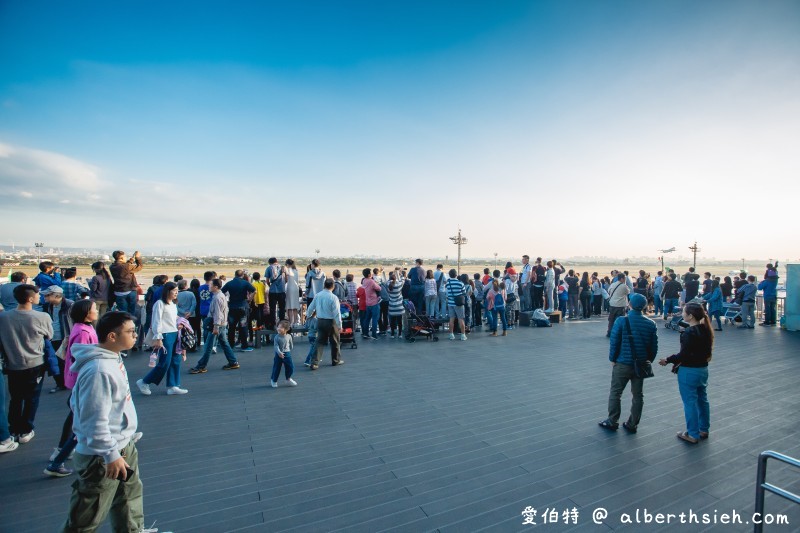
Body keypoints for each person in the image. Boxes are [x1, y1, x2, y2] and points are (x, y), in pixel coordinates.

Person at [61, 311, 146, 532]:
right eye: (130, 331)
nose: (135, 335)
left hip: (122, 445)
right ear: (111, 336)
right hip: (101, 456)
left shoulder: (112, 357)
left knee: (128, 500)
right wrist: (110, 453)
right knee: (87, 515)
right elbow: (93, 418)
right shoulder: (98, 370)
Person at [45, 299, 98, 477]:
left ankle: (60, 452)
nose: (97, 311)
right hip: (84, 379)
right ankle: (59, 456)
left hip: (82, 379)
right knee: (79, 418)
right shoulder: (83, 331)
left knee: (76, 414)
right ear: (86, 314)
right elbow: (82, 357)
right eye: (94, 309)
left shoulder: (81, 328)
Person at [0, 284, 55, 445]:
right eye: (37, 295)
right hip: (35, 363)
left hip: (12, 363)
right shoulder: (42, 317)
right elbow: (49, 335)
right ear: (31, 299)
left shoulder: (4, 317)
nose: (39, 297)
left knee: (15, 398)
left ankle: (14, 428)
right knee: (31, 398)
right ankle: (26, 429)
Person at [599, 293, 658, 433]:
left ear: (630, 305)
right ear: (644, 306)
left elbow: (614, 342)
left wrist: (612, 359)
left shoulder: (621, 321)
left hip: (622, 363)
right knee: (638, 395)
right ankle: (633, 424)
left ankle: (612, 421)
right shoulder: (651, 324)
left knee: (616, 392)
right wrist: (647, 360)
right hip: (640, 365)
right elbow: (653, 347)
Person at [659, 302, 713, 444]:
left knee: (689, 402)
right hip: (703, 369)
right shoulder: (706, 329)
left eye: (683, 312)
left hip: (689, 371)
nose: (682, 314)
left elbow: (683, 355)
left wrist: (667, 360)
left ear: (689, 316)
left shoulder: (688, 333)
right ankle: (703, 429)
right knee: (702, 399)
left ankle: (693, 434)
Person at [136, 282, 188, 396]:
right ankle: (145, 381)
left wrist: (180, 323)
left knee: (176, 359)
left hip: (174, 333)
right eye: (174, 291)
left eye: (177, 291)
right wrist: (158, 337)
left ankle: (173, 385)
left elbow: (173, 318)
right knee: (165, 362)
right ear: (167, 291)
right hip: (165, 334)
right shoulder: (160, 304)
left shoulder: (173, 304)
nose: (176, 293)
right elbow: (156, 321)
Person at [189, 278, 240, 373]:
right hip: (222, 324)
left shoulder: (217, 298)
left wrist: (216, 326)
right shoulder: (220, 295)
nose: (209, 286)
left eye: (210, 285)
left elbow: (218, 313)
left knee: (208, 346)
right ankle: (233, 362)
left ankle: (201, 366)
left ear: (215, 287)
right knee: (225, 344)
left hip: (217, 325)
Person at [305, 278, 343, 370]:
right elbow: (337, 313)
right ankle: (335, 360)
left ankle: (314, 363)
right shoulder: (333, 297)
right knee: (334, 342)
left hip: (320, 321)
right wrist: (339, 325)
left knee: (319, 342)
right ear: (333, 287)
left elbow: (311, 307)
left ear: (324, 285)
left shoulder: (318, 295)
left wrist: (308, 315)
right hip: (331, 322)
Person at [42, 285, 74, 393]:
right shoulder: (47, 306)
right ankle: (60, 383)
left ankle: (69, 382)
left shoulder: (69, 305)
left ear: (56, 295)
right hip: (52, 338)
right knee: (55, 362)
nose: (45, 297)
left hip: (65, 337)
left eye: (47, 295)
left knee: (66, 361)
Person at [222, 270, 255, 351]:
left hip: (232, 307)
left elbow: (222, 291)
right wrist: (249, 299)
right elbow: (254, 290)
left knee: (231, 327)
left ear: (235, 274)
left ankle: (230, 344)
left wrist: (227, 301)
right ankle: (244, 345)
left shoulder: (229, 283)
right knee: (243, 326)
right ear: (242, 275)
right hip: (243, 306)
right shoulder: (245, 283)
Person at [109, 251, 143, 315]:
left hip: (118, 292)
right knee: (132, 312)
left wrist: (131, 260)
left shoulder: (112, 266)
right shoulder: (126, 267)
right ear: (121, 258)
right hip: (130, 290)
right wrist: (138, 258)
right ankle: (132, 324)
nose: (126, 258)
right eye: (125, 257)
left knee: (123, 313)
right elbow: (139, 266)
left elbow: (124, 266)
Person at [270, 320, 298, 388]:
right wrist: (279, 352)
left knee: (290, 367)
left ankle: (288, 378)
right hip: (278, 354)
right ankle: (274, 380)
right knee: (277, 368)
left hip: (287, 353)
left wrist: (288, 350)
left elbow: (291, 345)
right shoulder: (276, 337)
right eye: (278, 327)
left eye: (280, 327)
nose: (278, 328)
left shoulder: (289, 336)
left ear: (286, 329)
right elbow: (276, 346)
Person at [445, 269, 468, 341]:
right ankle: (463, 335)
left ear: (449, 275)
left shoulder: (447, 283)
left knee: (451, 319)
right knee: (461, 319)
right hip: (459, 303)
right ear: (456, 275)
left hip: (450, 303)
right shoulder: (460, 283)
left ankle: (451, 335)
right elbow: (464, 293)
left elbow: (446, 293)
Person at [265, 257, 287, 329]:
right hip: (282, 291)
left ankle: (273, 324)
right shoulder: (283, 268)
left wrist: (270, 285)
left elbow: (267, 281)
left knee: (272, 309)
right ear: (276, 261)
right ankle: (282, 324)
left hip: (273, 291)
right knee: (282, 308)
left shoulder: (269, 268)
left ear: (270, 262)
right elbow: (286, 279)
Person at [360, 268, 381, 340]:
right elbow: (379, 288)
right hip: (374, 302)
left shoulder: (364, 281)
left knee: (367, 319)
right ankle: (374, 335)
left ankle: (365, 333)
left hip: (367, 302)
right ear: (369, 274)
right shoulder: (371, 281)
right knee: (375, 319)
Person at [387, 273, 405, 338]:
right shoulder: (399, 285)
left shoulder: (388, 285)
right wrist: (400, 274)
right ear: (395, 279)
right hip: (399, 307)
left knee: (392, 321)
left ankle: (392, 334)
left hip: (392, 307)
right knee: (399, 322)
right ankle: (400, 334)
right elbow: (403, 279)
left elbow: (388, 281)